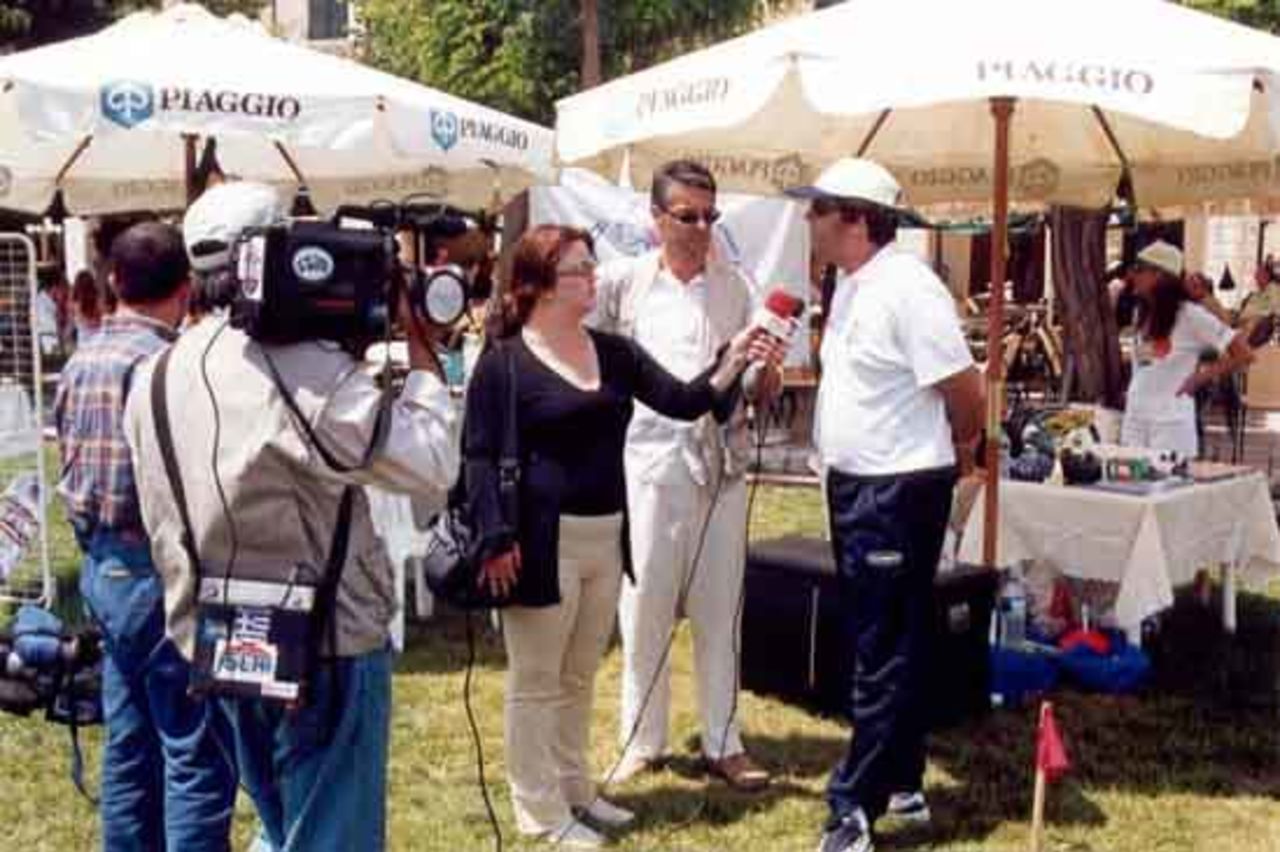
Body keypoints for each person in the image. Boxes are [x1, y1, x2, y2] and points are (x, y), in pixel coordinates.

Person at [123, 182, 461, 852]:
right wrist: (423, 351)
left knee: (283, 830)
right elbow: (430, 463)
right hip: (328, 641)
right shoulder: (304, 367)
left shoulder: (157, 373)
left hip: (219, 636)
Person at [469, 224, 780, 848]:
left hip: (607, 537)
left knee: (580, 674)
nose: (593, 277)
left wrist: (737, 355)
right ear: (538, 286)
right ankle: (540, 810)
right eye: (579, 270)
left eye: (591, 266)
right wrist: (496, 538)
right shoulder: (504, 362)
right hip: (539, 541)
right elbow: (478, 455)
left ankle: (577, 789)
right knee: (536, 681)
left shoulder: (613, 352)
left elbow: (689, 400)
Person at [786, 158, 984, 852]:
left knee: (883, 649)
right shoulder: (853, 283)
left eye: (818, 209)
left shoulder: (909, 289)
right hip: (859, 485)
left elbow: (967, 390)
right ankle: (901, 780)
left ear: (856, 218)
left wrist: (965, 448)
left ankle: (853, 805)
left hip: (896, 490)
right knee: (887, 636)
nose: (807, 220)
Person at [591, 159, 781, 791]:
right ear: (657, 219)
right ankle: (640, 741)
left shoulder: (737, 289)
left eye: (710, 216)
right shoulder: (621, 285)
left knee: (719, 608)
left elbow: (757, 389)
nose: (701, 228)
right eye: (688, 216)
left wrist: (768, 371)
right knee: (642, 607)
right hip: (645, 466)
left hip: (720, 468)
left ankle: (724, 741)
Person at [54, 222, 237, 852]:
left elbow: (70, 463)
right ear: (187, 291)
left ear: (114, 281)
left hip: (102, 564)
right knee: (193, 746)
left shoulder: (83, 358)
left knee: (130, 740)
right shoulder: (167, 366)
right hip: (159, 568)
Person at [1121, 241, 1250, 459]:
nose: (1133, 275)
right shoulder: (1141, 314)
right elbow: (1149, 361)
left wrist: (1201, 377)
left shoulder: (1191, 316)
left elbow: (1244, 354)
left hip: (1170, 425)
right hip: (1135, 418)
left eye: (1139, 269)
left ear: (1160, 275)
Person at [70, 269, 106, 342]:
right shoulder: (98, 301)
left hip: (83, 342)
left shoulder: (74, 304)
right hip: (99, 340)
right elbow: (102, 321)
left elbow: (73, 322)